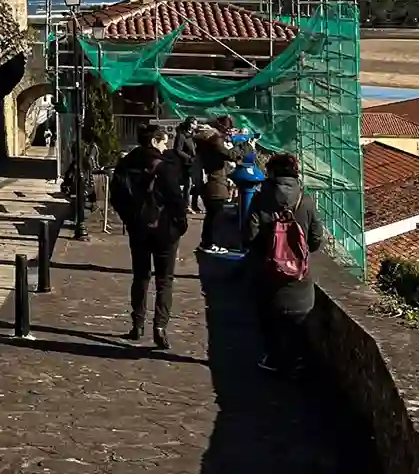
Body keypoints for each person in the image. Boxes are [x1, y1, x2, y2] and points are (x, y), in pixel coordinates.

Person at [243, 152, 327, 373]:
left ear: (271, 173)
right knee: (299, 322)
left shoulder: (261, 200)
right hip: (299, 277)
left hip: (268, 275)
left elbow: (248, 236)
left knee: (270, 320)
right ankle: (297, 361)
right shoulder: (306, 201)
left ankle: (275, 359)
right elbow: (317, 239)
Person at [108, 123, 189, 348]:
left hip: (138, 229)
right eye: (163, 142)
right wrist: (180, 225)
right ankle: (160, 327)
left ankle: (137, 324)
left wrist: (130, 219)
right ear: (155, 141)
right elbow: (176, 200)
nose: (165, 147)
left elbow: (116, 197)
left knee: (141, 276)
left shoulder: (126, 164)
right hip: (164, 231)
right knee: (165, 280)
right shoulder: (165, 166)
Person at [193, 125, 240, 255]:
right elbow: (232, 155)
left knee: (211, 216)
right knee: (216, 217)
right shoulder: (214, 144)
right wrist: (244, 145)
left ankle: (207, 242)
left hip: (210, 185)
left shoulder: (203, 146)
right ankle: (211, 243)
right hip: (216, 186)